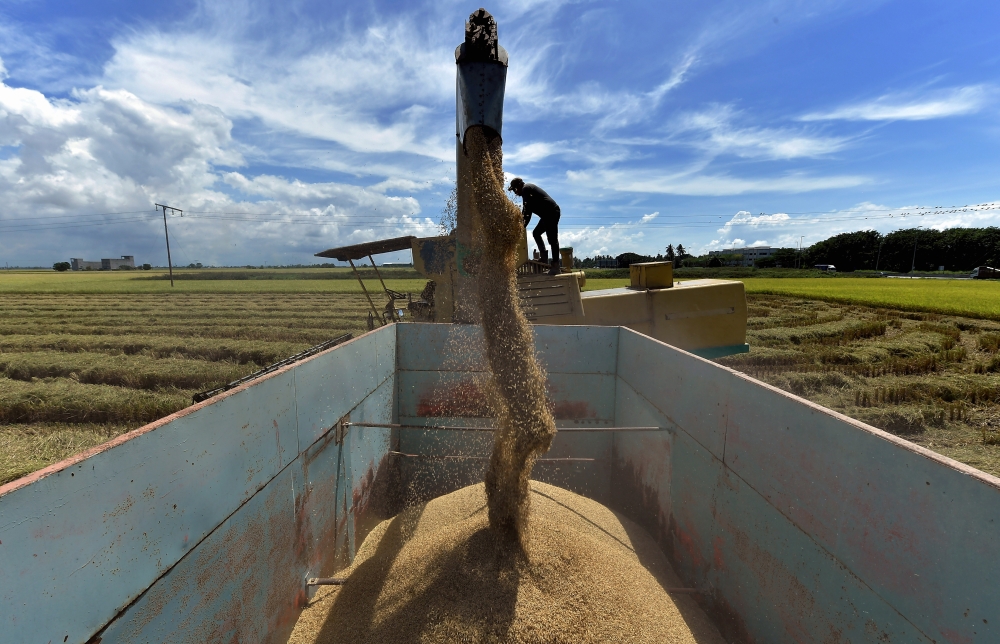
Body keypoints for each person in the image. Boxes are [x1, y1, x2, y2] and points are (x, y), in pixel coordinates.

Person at [508, 177, 561, 274]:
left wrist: (520, 227)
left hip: (552, 212)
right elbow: (526, 212)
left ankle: (556, 265)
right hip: (546, 215)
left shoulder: (526, 189)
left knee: (552, 239)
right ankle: (544, 258)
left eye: (515, 189)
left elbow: (527, 212)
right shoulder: (527, 190)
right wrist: (521, 224)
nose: (515, 193)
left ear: (519, 185)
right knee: (536, 233)